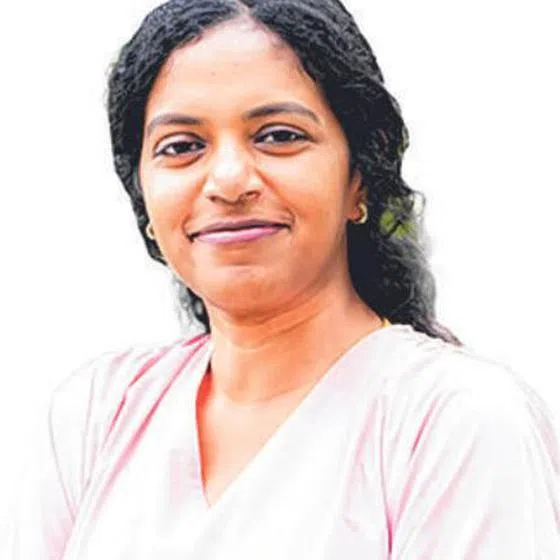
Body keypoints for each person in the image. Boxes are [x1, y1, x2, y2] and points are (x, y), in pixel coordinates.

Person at [5, 0, 559, 558]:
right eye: (182, 146)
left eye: (278, 135)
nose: (228, 181)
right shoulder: (96, 416)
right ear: (142, 196)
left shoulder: (453, 422)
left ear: (360, 178)